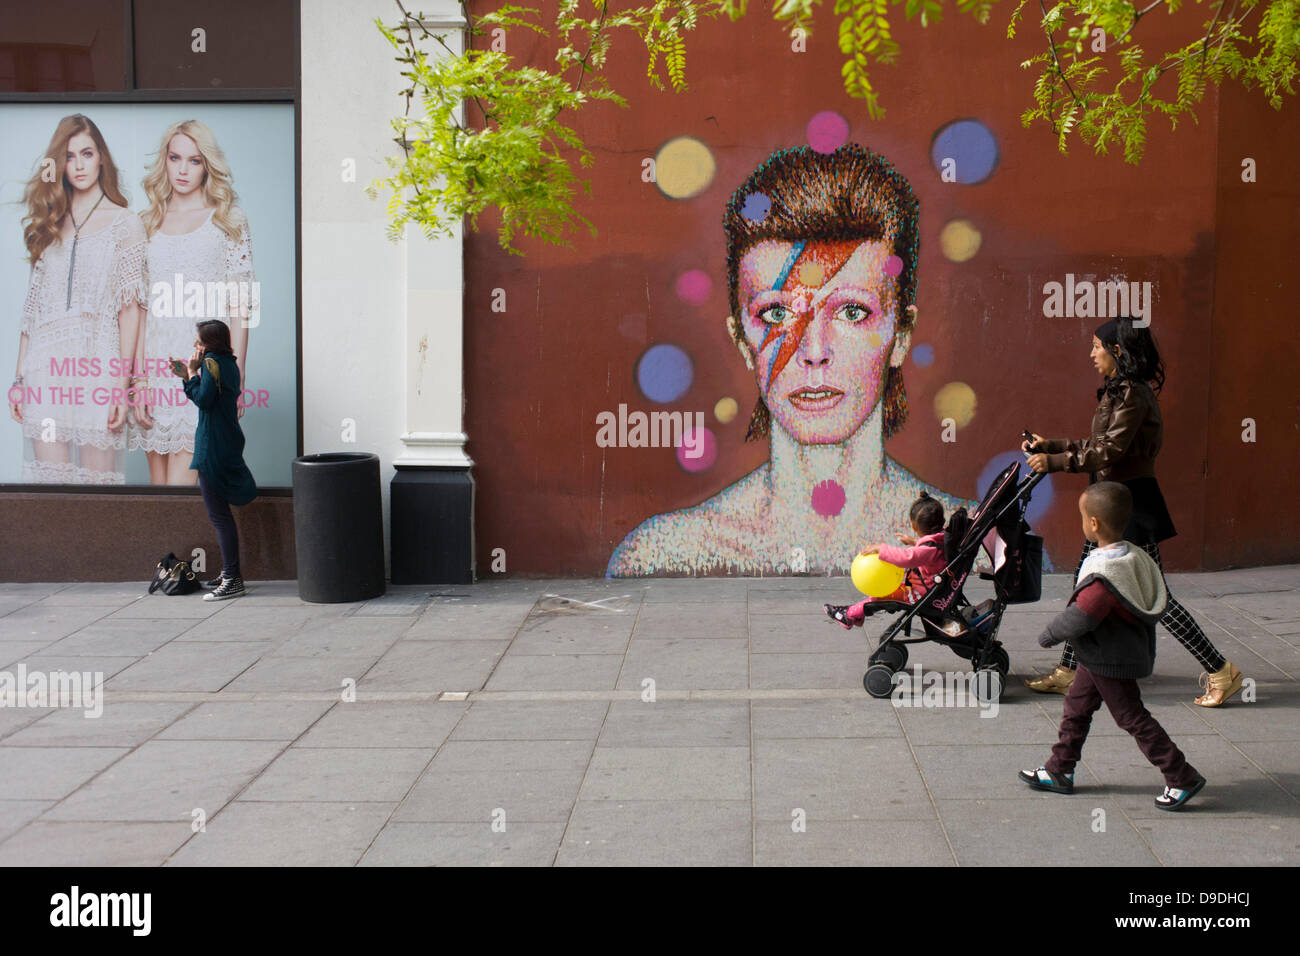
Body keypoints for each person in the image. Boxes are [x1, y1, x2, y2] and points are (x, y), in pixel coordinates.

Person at [607, 144, 974, 576]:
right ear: (742, 339)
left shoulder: (975, 547)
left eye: (852, 312)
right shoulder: (664, 556)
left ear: (901, 336)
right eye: (778, 314)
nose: (814, 351)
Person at [1022, 318, 1243, 707]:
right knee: (1085, 583)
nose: (1092, 355)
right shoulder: (1119, 392)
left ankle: (1220, 670)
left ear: (1118, 352)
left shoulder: (1133, 394)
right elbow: (1099, 443)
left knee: (1156, 597)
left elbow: (1110, 451)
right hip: (1115, 500)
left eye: (1097, 347)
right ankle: (1069, 671)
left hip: (1130, 506)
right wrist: (1052, 444)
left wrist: (1055, 461)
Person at [1020, 482, 1206, 811]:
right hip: (1099, 656)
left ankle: (1181, 775)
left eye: (1081, 517)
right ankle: (1058, 770)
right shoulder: (1132, 556)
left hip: (1111, 658)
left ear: (1094, 524)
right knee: (1076, 709)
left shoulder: (1105, 575)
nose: (1081, 523)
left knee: (1132, 717)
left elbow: (1082, 617)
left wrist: (1048, 635)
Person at [8, 114, 146, 483]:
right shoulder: (49, 223)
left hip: (98, 369)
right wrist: (19, 381)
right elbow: (32, 312)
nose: (80, 164)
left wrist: (122, 384)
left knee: (97, 495)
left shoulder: (126, 223)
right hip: (45, 373)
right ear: (59, 163)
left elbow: (131, 312)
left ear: (102, 157)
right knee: (52, 491)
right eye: (70, 156)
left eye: (87, 153)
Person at [133, 119, 256, 485]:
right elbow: (139, 309)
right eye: (175, 158)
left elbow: (241, 304)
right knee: (159, 495)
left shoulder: (227, 219)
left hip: (203, 369)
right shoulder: (147, 222)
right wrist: (138, 380)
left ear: (207, 165)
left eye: (194, 160)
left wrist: (237, 374)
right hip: (156, 368)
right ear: (165, 161)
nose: (183, 169)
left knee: (183, 492)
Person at [171, 319, 257, 600]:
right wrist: (191, 375)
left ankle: (232, 578)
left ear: (209, 344)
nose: (195, 346)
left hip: (213, 446)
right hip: (227, 441)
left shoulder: (210, 365)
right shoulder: (228, 363)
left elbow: (204, 400)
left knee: (219, 517)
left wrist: (190, 375)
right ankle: (228, 572)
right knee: (221, 516)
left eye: (199, 342)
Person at [824, 490, 946, 628]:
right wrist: (914, 542)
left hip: (920, 593)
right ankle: (857, 614)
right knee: (887, 591)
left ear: (913, 526)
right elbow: (929, 551)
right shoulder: (943, 538)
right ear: (942, 521)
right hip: (924, 585)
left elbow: (907, 558)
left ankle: (849, 615)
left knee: (883, 596)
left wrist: (881, 549)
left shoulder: (928, 550)